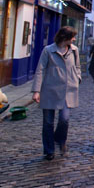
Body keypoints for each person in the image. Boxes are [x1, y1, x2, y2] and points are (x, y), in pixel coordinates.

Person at [31, 26, 80, 160]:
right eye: (72, 37)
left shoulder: (74, 50)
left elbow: (77, 67)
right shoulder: (48, 50)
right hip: (49, 90)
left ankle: (60, 140)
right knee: (48, 122)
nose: (74, 39)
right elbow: (40, 69)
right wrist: (36, 91)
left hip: (67, 91)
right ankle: (49, 150)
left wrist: (77, 79)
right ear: (65, 38)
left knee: (64, 119)